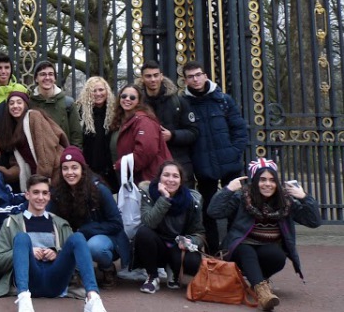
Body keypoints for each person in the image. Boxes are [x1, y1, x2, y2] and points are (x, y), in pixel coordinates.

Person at [207, 158, 321, 311]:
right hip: (238, 248)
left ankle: (257, 281)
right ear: (255, 182)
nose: (268, 184)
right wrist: (228, 189)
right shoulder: (242, 197)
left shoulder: (285, 202)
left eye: (272, 180)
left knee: (277, 256)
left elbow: (314, 222)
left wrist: (304, 197)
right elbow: (213, 212)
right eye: (262, 179)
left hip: (266, 248)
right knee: (246, 250)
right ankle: (263, 293)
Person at [0, 175, 108, 312]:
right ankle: (23, 301)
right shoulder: (11, 223)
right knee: (22, 238)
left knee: (78, 237)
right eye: (36, 192)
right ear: (27, 195)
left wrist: (58, 255)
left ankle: (93, 298)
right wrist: (26, 253)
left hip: (56, 281)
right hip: (29, 281)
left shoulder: (61, 224)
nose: (40, 197)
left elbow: (77, 265)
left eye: (44, 193)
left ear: (49, 196)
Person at [181, 60, 250, 251]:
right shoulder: (184, 104)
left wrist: (234, 152)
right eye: (190, 77)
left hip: (230, 164)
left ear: (205, 76)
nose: (195, 79)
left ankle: (234, 250)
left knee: (235, 207)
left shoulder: (223, 100)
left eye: (198, 75)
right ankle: (213, 252)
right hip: (203, 167)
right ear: (185, 81)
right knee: (209, 210)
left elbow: (239, 129)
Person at [47, 147, 127, 289]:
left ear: (82, 169)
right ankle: (74, 272)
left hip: (105, 236)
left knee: (93, 247)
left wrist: (86, 230)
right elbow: (48, 218)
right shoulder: (58, 192)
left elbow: (116, 224)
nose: (70, 173)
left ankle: (107, 269)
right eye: (65, 168)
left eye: (74, 168)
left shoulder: (99, 189)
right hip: (76, 235)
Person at [133, 160, 205, 294]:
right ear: (159, 178)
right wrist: (165, 198)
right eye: (166, 175)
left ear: (181, 180)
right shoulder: (148, 193)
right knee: (143, 233)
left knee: (193, 263)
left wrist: (190, 241)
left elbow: (199, 233)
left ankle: (174, 271)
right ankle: (152, 276)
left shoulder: (192, 200)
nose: (170, 180)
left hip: (178, 246)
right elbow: (149, 222)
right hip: (157, 245)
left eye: (175, 176)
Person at [138, 60, 199, 186]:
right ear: (142, 78)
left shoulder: (178, 102)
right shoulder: (137, 104)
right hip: (149, 166)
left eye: (156, 75)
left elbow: (193, 132)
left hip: (178, 163)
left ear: (161, 76)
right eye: (148, 76)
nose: (153, 79)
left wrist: (172, 135)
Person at [0, 91, 69, 188]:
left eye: (19, 102)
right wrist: (6, 173)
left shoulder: (34, 116)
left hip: (55, 174)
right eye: (11, 103)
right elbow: (19, 164)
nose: (15, 106)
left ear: (26, 104)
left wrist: (42, 178)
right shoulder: (12, 130)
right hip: (38, 178)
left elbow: (46, 149)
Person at [109, 84, 172, 182]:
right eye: (124, 96)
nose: (127, 99)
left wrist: (122, 165)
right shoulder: (121, 121)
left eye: (132, 97)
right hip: (129, 177)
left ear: (139, 101)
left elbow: (146, 152)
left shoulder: (144, 121)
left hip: (147, 178)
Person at [76, 77, 118, 192]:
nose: (98, 94)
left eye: (101, 90)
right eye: (94, 91)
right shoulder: (80, 112)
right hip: (88, 166)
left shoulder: (115, 112)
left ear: (107, 91)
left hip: (111, 167)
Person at [28, 61, 83, 148]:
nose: (47, 77)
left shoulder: (68, 103)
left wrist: (73, 154)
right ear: (36, 79)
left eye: (50, 74)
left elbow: (76, 136)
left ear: (55, 78)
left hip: (63, 154)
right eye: (43, 74)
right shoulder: (29, 103)